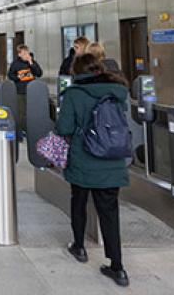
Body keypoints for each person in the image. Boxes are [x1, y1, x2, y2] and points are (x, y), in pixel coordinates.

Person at [57, 53, 130, 287]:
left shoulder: (74, 94)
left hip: (83, 158)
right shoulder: (117, 92)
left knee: (79, 201)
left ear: (76, 71)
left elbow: (64, 127)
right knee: (109, 212)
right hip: (112, 159)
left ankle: (79, 247)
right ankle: (117, 267)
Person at [6, 44, 42, 137]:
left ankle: (32, 128)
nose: (26, 54)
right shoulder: (15, 64)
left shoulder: (32, 62)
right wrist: (18, 77)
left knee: (32, 110)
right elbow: (10, 75)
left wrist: (31, 62)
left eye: (27, 52)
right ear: (19, 54)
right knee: (21, 112)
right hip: (20, 91)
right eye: (24, 53)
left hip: (32, 91)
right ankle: (22, 130)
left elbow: (39, 73)